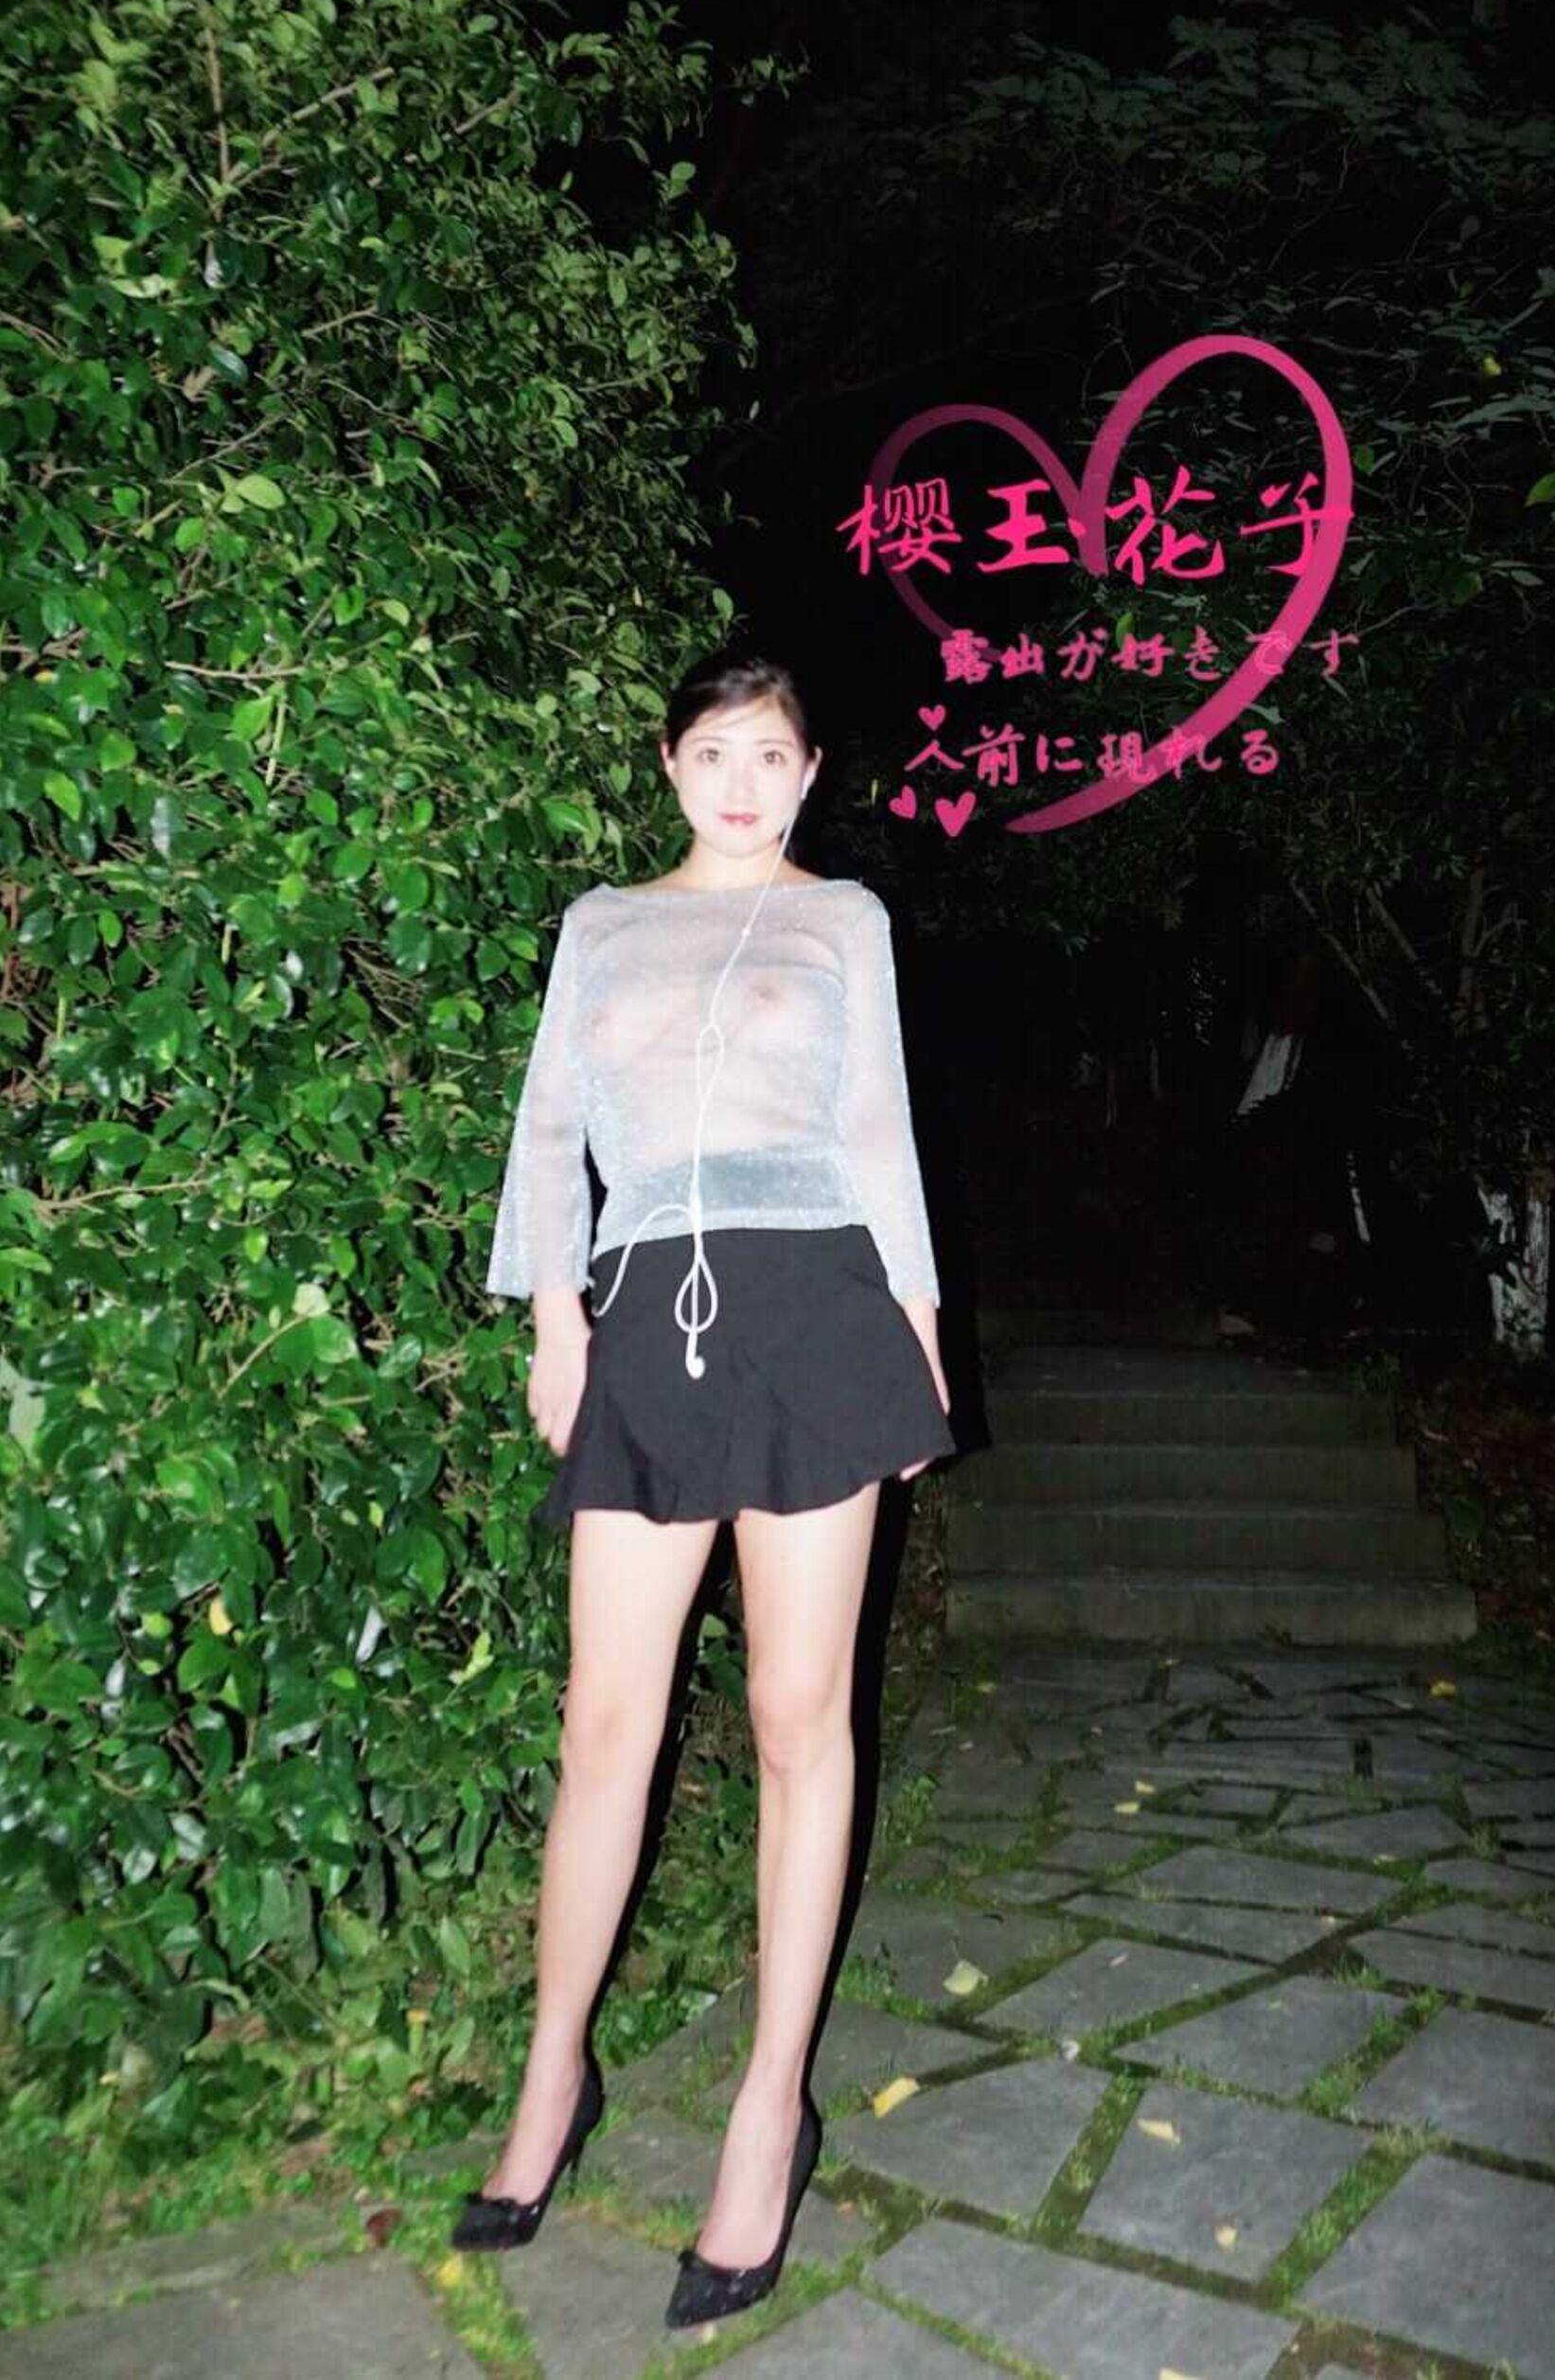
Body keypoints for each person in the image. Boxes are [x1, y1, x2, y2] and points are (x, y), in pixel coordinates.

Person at [452, 648, 956, 2329]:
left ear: (809, 776)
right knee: (607, 1719)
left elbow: (878, 1131)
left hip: (817, 1310)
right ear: (670, 766)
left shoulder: (845, 921)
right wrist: (555, 1316)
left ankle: (768, 2108)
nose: (744, 784)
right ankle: (553, 2076)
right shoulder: (601, 925)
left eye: (773, 757)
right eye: (716, 754)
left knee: (799, 1717)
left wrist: (920, 1337)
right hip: (644, 1315)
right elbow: (551, 1129)